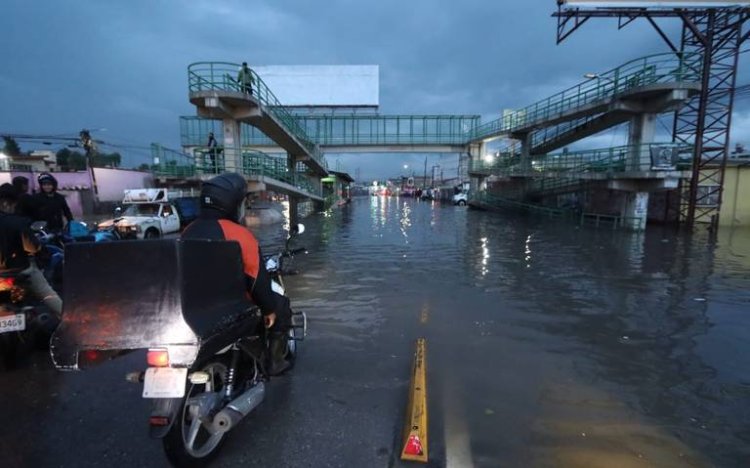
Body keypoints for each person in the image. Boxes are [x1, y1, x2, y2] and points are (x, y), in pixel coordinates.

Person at [181, 173, 292, 375]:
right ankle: (275, 362)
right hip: (231, 306)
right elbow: (256, 279)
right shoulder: (238, 234)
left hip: (195, 306)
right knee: (282, 307)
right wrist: (269, 309)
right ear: (231, 203)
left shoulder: (188, 231)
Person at [0, 183, 62, 316]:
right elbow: (33, 248)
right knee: (48, 294)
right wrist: (42, 253)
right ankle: (72, 324)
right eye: (14, 205)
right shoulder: (17, 222)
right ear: (6, 203)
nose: (14, 208)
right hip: (20, 270)